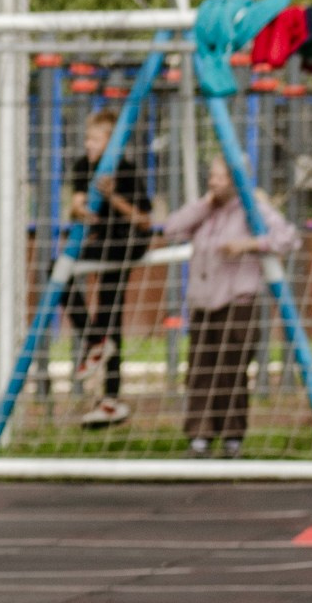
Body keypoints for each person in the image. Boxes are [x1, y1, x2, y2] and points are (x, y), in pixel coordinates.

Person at [156, 155, 297, 460]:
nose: (213, 182)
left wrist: (249, 245)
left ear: (235, 180)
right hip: (203, 302)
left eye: (219, 177)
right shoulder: (206, 211)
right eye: (212, 176)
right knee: (199, 371)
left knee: (231, 372)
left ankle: (232, 438)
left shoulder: (253, 209)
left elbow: (287, 237)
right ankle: (199, 438)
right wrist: (206, 202)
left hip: (237, 302)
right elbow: (171, 228)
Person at [64, 108, 153, 430]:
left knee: (109, 309)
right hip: (103, 240)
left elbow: (144, 221)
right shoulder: (82, 166)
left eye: (95, 139)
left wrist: (112, 197)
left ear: (112, 142)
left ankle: (110, 397)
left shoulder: (127, 171)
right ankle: (93, 340)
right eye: (87, 138)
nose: (89, 144)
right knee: (58, 272)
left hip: (127, 241)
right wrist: (78, 209)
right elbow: (76, 206)